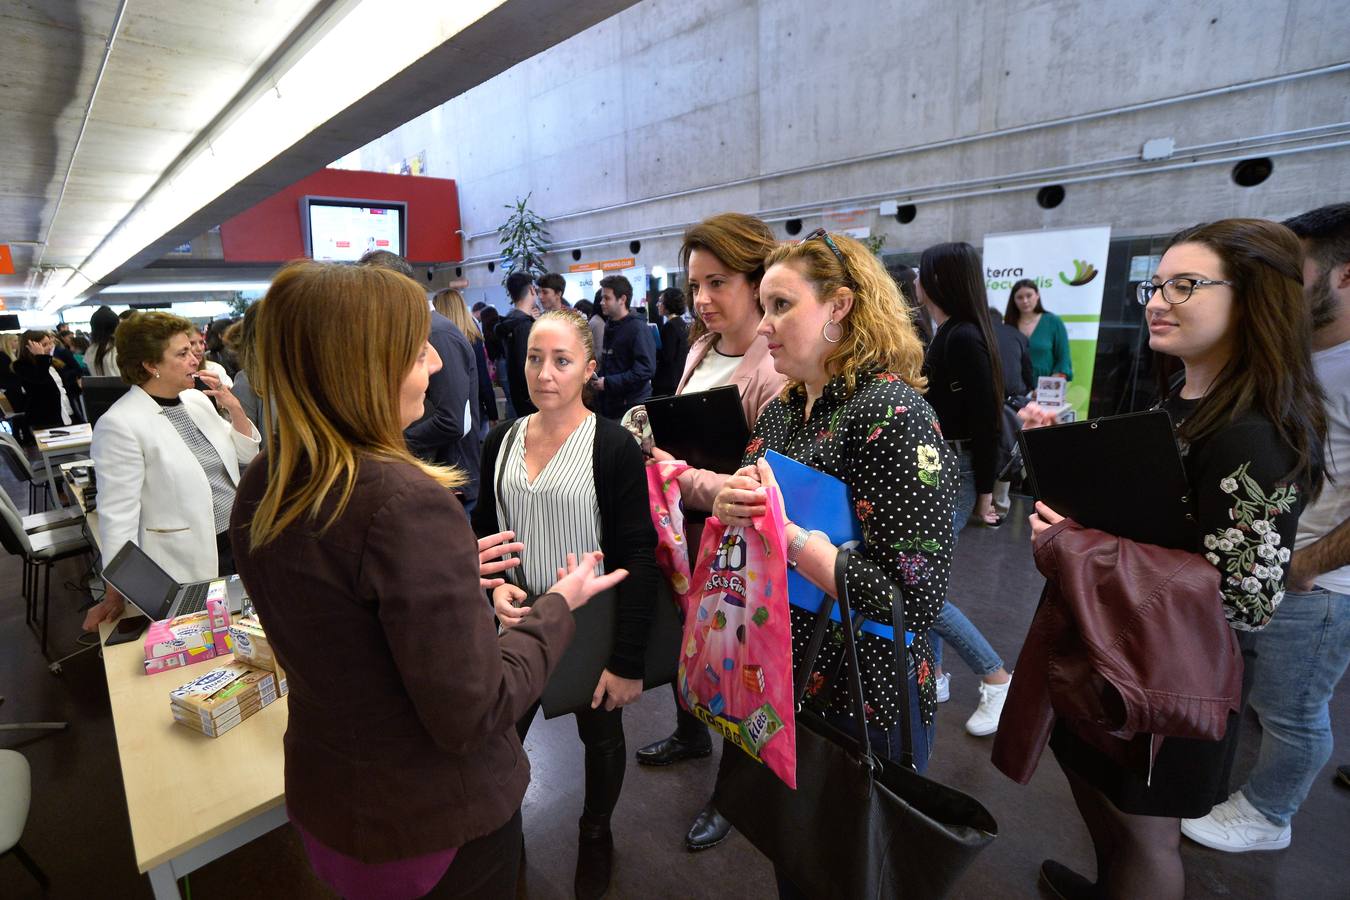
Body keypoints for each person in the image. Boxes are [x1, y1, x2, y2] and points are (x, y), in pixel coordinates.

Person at [230, 261, 626, 900]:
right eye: (417, 353)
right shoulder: (403, 503)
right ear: (365, 366)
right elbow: (476, 708)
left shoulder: (270, 477)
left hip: (331, 798)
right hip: (426, 821)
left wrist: (441, 577)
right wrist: (558, 605)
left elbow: (338, 601)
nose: (437, 367)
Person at [1030, 218, 1326, 899]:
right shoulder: (1185, 399)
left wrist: (1079, 546)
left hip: (1179, 669)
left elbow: (1246, 600)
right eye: (1155, 285)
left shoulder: (1255, 433)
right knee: (1100, 792)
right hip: (1119, 643)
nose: (1159, 301)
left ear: (1254, 299)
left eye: (1186, 285)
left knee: (1146, 832)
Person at [713, 229, 955, 899]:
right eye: (764, 307)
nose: (764, 327)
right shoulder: (789, 407)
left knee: (850, 867)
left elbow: (920, 600)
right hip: (787, 665)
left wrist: (802, 549)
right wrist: (737, 500)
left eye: (782, 305)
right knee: (800, 856)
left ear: (841, 307)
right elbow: (752, 483)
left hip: (864, 686)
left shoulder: (894, 415)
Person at [1180, 203, 1350, 854]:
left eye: (1294, 270)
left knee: (1293, 709)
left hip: (1318, 582)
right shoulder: (1300, 355)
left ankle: (1267, 813)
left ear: (1342, 276)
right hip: (1272, 563)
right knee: (1262, 701)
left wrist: (1306, 565)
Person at [472, 308, 658, 900]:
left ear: (589, 369)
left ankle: (596, 831)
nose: (544, 373)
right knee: (498, 733)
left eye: (561, 360)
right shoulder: (501, 438)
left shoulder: (612, 446)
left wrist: (628, 661)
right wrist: (491, 584)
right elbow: (486, 533)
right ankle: (503, 837)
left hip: (590, 623)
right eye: (533, 358)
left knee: (600, 733)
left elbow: (638, 554)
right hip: (521, 621)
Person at [631, 212, 785, 854]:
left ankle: (732, 792)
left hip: (737, 546)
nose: (701, 299)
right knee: (688, 639)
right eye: (695, 284)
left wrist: (677, 472)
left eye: (717, 283)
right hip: (684, 530)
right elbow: (682, 438)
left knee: (737, 661)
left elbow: (751, 485)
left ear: (756, 282)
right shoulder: (698, 348)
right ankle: (691, 731)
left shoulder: (773, 368)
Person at [80, 311, 261, 630]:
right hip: (191, 555)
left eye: (193, 350)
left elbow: (245, 452)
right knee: (212, 640)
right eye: (182, 353)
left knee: (247, 628)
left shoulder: (195, 401)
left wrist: (233, 408)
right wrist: (117, 590)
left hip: (237, 539)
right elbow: (118, 516)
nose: (195, 359)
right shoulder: (121, 423)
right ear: (151, 365)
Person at [916, 243, 1015, 735]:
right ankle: (933, 678)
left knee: (924, 592)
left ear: (938, 280)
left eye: (922, 274)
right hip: (944, 468)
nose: (915, 282)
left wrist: (982, 493)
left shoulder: (963, 337)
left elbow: (985, 421)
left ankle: (996, 677)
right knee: (927, 584)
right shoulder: (952, 333)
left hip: (953, 470)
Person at [360, 255, 481, 506]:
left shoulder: (438, 333)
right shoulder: (413, 330)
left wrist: (388, 444)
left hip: (447, 484)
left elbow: (451, 421)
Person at [989, 306, 1035, 519]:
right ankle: (999, 509)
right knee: (1007, 452)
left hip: (982, 404)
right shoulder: (1017, 335)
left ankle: (979, 505)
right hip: (1011, 405)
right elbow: (1028, 374)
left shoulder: (977, 334)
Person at [434, 287, 498, 436]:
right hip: (473, 409)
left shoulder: (436, 341)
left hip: (445, 412)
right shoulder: (472, 339)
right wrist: (492, 411)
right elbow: (483, 379)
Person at [593, 275, 655, 419]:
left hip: (630, 408)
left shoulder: (637, 328)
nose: (601, 302)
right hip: (611, 405)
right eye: (602, 298)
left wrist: (608, 383)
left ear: (622, 299)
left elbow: (645, 370)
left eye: (607, 298)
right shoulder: (610, 325)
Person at [1005, 278, 1072, 382]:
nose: (1025, 301)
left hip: (1047, 391)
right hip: (1015, 390)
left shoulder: (1053, 322)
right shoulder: (1008, 325)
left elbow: (1063, 359)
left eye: (1029, 295)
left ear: (1037, 295)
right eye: (1019, 297)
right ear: (1013, 300)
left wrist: (1048, 387)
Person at [11, 330, 79, 429]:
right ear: (31, 347)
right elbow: (40, 380)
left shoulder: (51, 361)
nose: (50, 347)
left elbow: (62, 386)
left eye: (50, 343)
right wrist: (40, 357)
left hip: (67, 410)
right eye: (45, 344)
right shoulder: (21, 365)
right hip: (45, 418)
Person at [497, 271, 541, 418]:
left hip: (518, 398)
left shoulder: (509, 321)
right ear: (531, 289)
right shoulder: (524, 326)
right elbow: (526, 364)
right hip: (530, 401)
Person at [651, 287, 690, 396]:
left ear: (669, 304)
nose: (657, 304)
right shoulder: (683, 324)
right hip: (679, 379)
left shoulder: (670, 326)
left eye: (660, 301)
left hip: (666, 384)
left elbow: (667, 356)